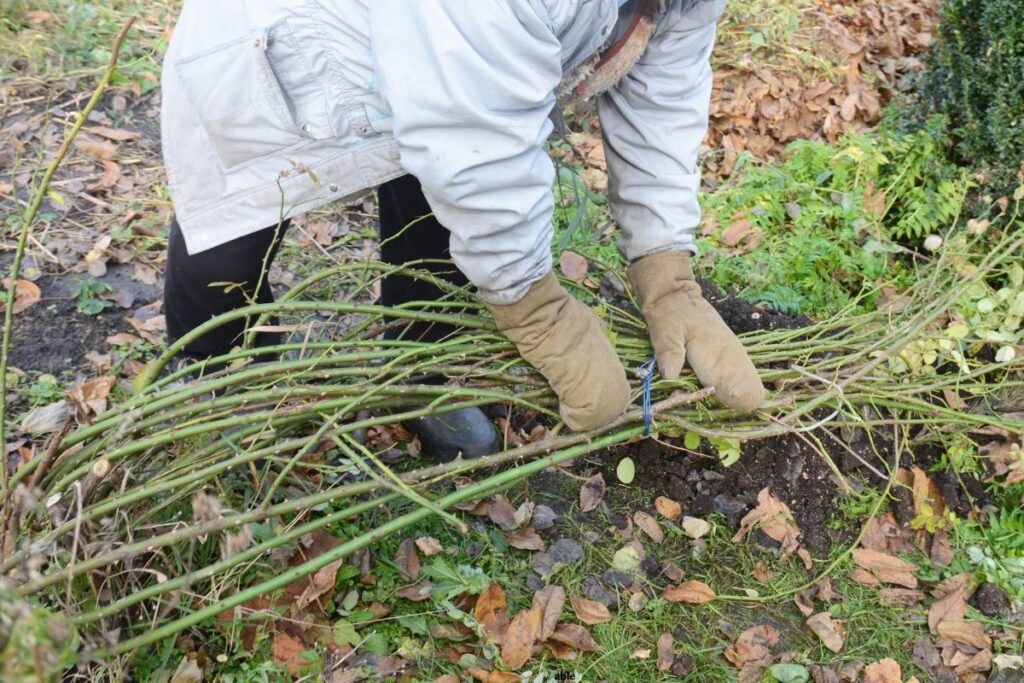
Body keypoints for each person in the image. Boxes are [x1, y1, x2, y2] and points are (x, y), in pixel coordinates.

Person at [159, 0, 764, 461]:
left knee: (433, 220)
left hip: (444, 57)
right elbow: (475, 134)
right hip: (284, 42)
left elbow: (662, 94)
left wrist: (665, 270)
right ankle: (217, 388)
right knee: (228, 243)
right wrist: (535, 309)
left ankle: (415, 375)